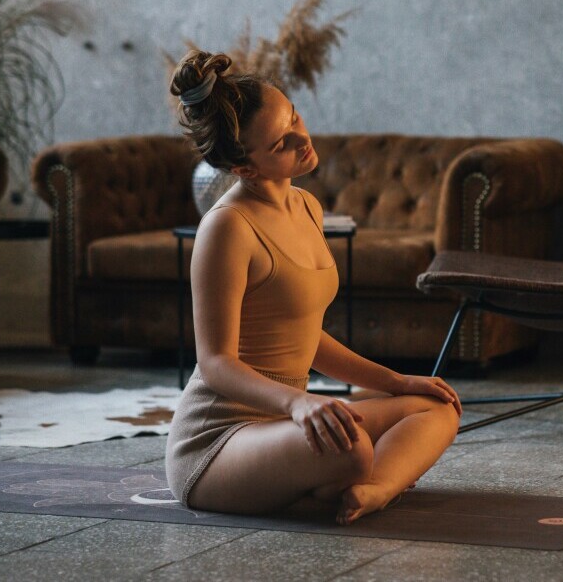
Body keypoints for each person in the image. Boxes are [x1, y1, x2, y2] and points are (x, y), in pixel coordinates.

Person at [164, 50, 461, 525]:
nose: (303, 138)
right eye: (283, 141)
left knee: (437, 406)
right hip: (221, 443)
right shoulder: (227, 228)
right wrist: (298, 402)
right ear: (245, 168)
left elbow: (304, 338)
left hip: (290, 426)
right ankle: (353, 483)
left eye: (295, 117)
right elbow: (215, 363)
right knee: (352, 449)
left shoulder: (306, 206)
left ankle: (372, 492)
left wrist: (395, 381)